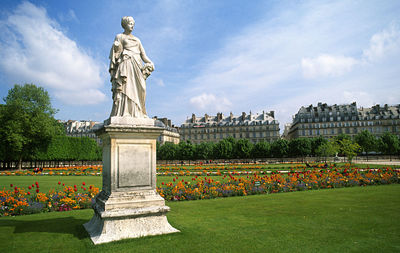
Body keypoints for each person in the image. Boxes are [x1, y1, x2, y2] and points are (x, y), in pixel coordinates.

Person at [109, 16, 154, 118]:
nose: (132, 26)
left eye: (133, 24)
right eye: (130, 23)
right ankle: (125, 112)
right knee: (125, 87)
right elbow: (116, 52)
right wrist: (115, 47)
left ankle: (139, 111)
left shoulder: (137, 40)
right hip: (126, 64)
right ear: (125, 25)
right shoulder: (120, 36)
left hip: (137, 65)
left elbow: (143, 55)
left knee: (141, 88)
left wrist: (151, 62)